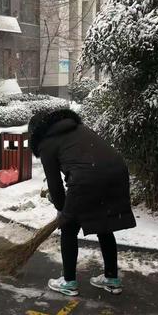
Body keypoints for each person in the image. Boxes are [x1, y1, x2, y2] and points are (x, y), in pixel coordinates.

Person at [28, 109, 136, 296]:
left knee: (69, 227)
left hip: (88, 178)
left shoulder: (46, 143)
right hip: (117, 171)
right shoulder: (79, 129)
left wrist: (62, 211)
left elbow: (55, 185)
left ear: (36, 133)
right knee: (104, 223)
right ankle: (111, 278)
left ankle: (69, 282)